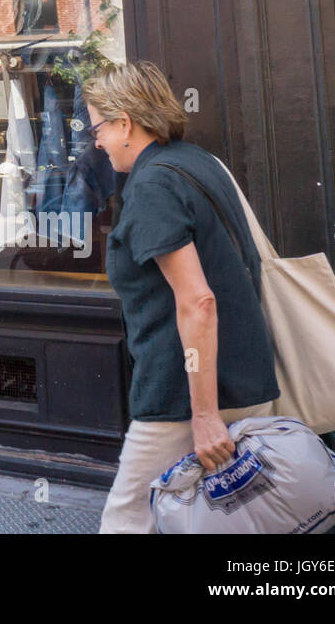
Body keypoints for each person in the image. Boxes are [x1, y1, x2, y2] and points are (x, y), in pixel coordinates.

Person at [83, 61, 279, 534]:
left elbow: (198, 302)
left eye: (98, 129)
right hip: (246, 377)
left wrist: (204, 415)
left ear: (124, 123)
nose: (96, 142)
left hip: (182, 394)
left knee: (127, 522)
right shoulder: (200, 162)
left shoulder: (152, 187)